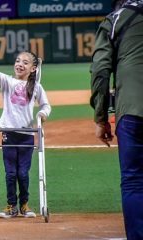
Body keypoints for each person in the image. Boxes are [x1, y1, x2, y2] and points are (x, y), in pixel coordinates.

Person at [0, 41, 51, 218]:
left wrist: (42, 115)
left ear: (33, 68)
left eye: (25, 62)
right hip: (9, 134)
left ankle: (24, 205)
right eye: (17, 61)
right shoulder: (7, 82)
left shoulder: (36, 87)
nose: (19, 64)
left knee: (23, 173)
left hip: (27, 136)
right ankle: (11, 206)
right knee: (10, 173)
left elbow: (45, 105)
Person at [90, 0, 143, 238]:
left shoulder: (114, 19)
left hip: (132, 110)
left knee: (133, 181)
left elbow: (101, 71)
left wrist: (101, 117)